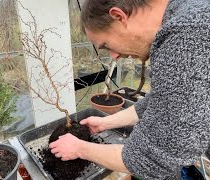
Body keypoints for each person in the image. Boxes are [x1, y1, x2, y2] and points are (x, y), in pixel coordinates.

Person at [49, 0, 210, 179]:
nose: (115, 56)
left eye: (106, 45)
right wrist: (105, 123)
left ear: (119, 17)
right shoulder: (190, 14)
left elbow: (150, 160)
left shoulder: (187, 35)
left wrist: (80, 148)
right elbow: (160, 101)